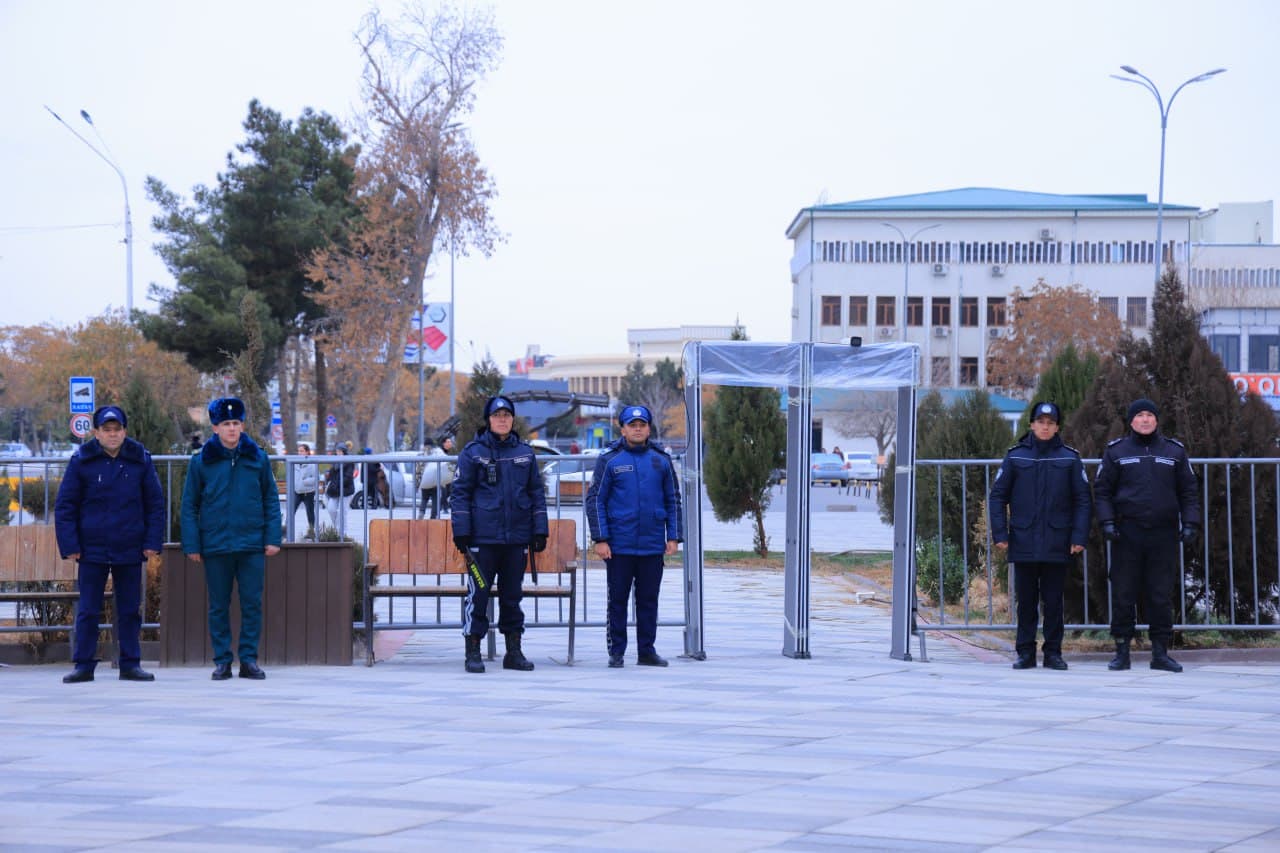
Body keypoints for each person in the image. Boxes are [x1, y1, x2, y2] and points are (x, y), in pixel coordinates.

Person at [54, 405, 165, 683]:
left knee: (129, 610)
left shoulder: (141, 460)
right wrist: (70, 545)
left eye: (117, 430)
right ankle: (83, 665)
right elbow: (66, 505)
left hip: (130, 545)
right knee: (89, 610)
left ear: (125, 432)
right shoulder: (81, 461)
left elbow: (155, 505)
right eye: (107, 430)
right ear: (97, 433)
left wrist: (152, 542)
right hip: (92, 548)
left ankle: (130, 663)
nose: (112, 435)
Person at [1094, 398, 1200, 673]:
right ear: (1131, 421)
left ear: (1156, 420)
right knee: (1123, 593)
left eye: (1149, 415)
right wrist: (1106, 521)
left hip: (1163, 534)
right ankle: (1122, 652)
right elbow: (1102, 490)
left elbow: (1189, 491)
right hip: (1126, 533)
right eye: (1139, 415)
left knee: (1160, 594)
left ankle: (1160, 653)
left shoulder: (1174, 451)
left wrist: (1190, 523)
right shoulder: (1116, 451)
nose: (1144, 420)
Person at [181, 397, 282, 681]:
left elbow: (270, 499)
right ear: (215, 428)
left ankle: (248, 659)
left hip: (251, 543)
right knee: (218, 604)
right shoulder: (201, 462)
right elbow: (190, 505)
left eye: (236, 423)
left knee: (252, 603)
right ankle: (222, 660)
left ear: (243, 425)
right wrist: (192, 544)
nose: (231, 429)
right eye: (226, 424)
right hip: (216, 544)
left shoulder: (257, 458)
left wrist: (273, 537)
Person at [988, 401, 1091, 671]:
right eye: (1040, 422)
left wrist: (1079, 536)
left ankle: (1054, 652)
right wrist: (1000, 532)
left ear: (1057, 427)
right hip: (1023, 539)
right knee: (1026, 601)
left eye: (1050, 423)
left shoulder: (1069, 458)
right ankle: (1025, 652)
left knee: (1055, 601)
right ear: (1032, 424)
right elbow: (998, 496)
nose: (1045, 427)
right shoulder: (1016, 456)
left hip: (1058, 541)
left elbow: (1082, 499)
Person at [450, 396, 549, 674]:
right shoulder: (473, 453)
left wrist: (540, 530)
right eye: (497, 415)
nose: (502, 419)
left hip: (516, 540)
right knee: (478, 595)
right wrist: (462, 532)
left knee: (512, 597)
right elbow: (460, 494)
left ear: (512, 419)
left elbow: (536, 494)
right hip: (483, 540)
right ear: (488, 419)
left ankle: (513, 652)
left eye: (507, 415)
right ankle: (473, 651)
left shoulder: (525, 453)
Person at [585, 405, 683, 668]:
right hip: (619, 544)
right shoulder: (610, 460)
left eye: (642, 424)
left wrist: (674, 536)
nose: (637, 429)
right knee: (617, 600)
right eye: (632, 424)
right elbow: (595, 501)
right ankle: (616, 652)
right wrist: (600, 538)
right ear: (623, 428)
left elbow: (673, 500)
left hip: (651, 544)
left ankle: (646, 651)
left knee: (648, 600)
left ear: (649, 428)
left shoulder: (661, 459)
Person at [323, 445, 356, 534]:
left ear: (344, 452)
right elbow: (331, 476)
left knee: (342, 511)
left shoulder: (349, 462)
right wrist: (328, 475)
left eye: (340, 451)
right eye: (337, 451)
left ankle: (343, 532)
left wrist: (337, 483)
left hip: (346, 490)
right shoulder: (334, 462)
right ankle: (337, 527)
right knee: (331, 509)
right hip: (335, 490)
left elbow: (348, 477)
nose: (338, 453)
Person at [291, 442, 319, 539]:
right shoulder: (294, 462)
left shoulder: (312, 463)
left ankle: (311, 532)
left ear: (307, 452)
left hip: (308, 492)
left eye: (302, 451)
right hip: (297, 491)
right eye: (299, 451)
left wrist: (304, 482)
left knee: (310, 512)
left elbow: (316, 478)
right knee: (291, 511)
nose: (300, 453)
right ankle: (286, 531)